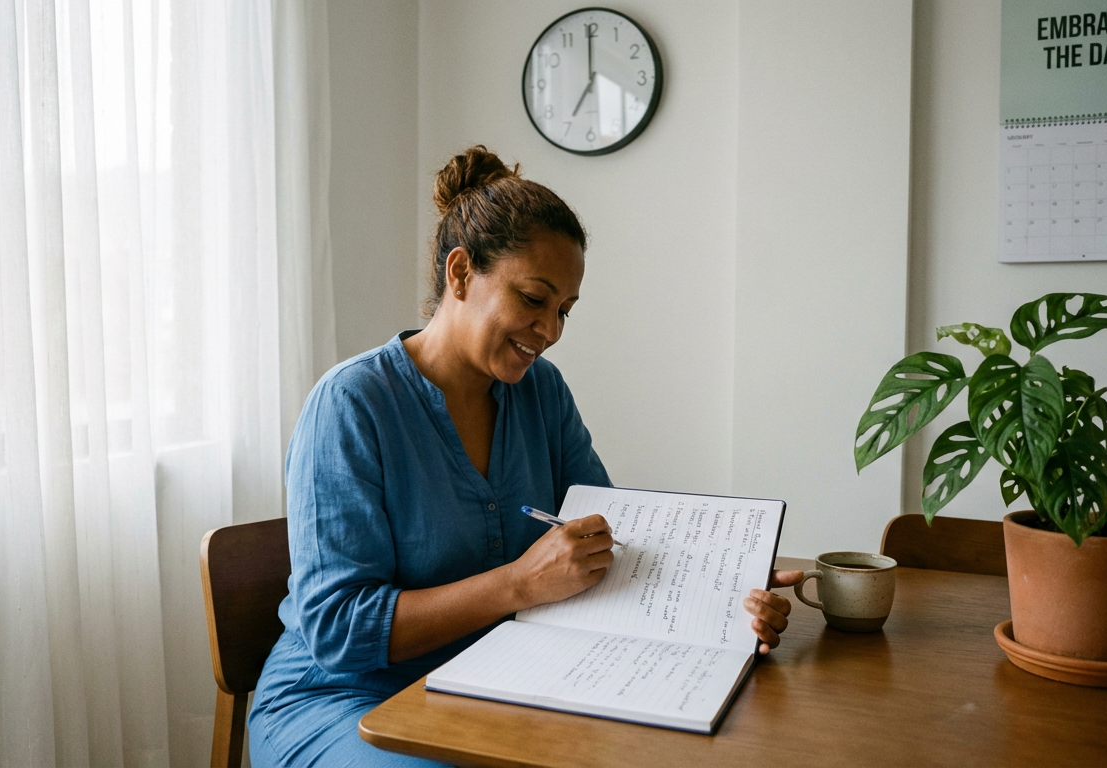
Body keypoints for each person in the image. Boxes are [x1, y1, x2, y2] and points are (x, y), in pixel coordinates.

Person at [247, 146, 801, 767]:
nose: (551, 330)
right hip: (344, 701)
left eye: (564, 310)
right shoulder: (350, 406)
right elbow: (339, 629)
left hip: (501, 680)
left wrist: (726, 590)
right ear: (460, 274)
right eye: (534, 300)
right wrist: (519, 584)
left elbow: (606, 543)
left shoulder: (542, 392)